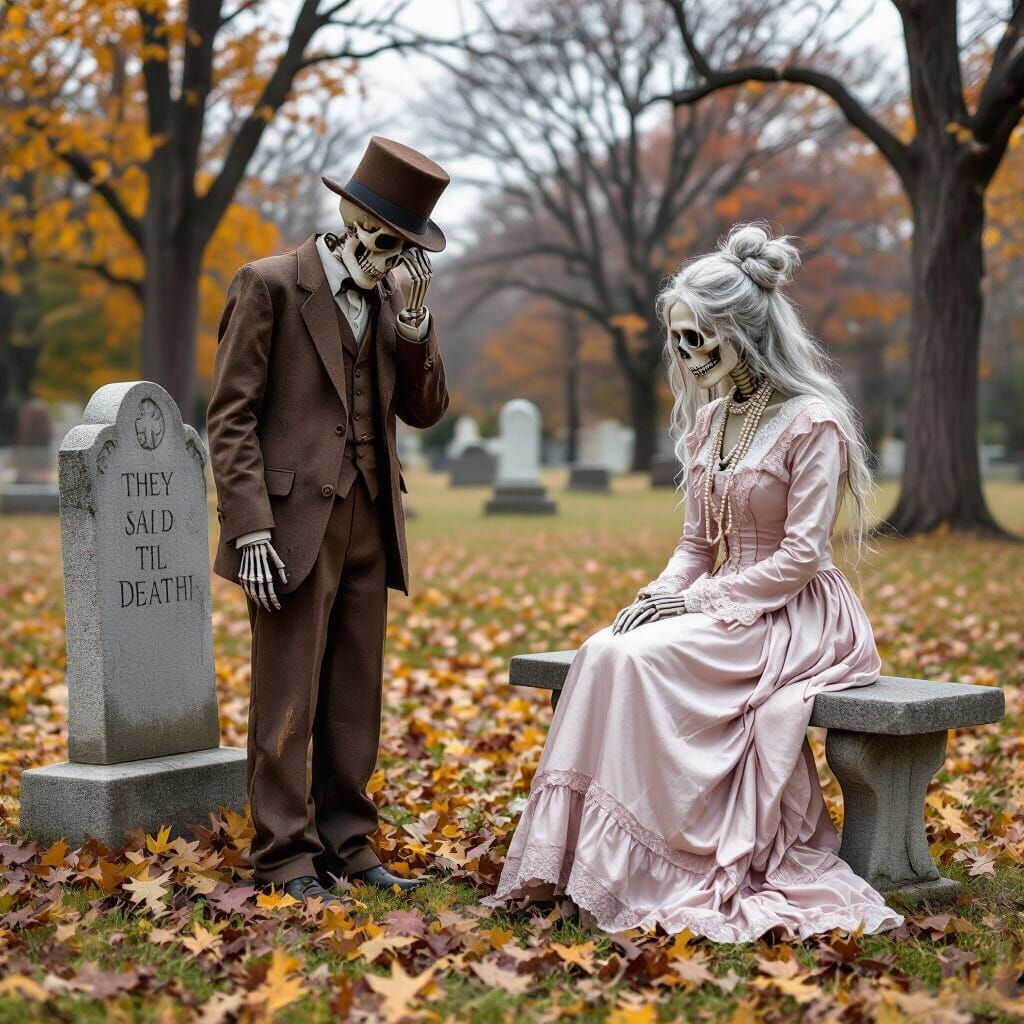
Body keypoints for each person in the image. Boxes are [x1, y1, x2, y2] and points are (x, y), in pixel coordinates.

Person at [481, 223, 904, 941]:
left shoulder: (813, 423)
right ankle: (589, 861)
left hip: (791, 612)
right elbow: (695, 545)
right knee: (605, 648)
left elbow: (802, 556)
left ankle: (667, 859)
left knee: (637, 661)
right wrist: (658, 596)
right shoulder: (710, 421)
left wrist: (697, 600)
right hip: (721, 603)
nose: (684, 353)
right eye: (676, 339)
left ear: (742, 331)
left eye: (696, 337)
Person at [207, 137, 450, 904]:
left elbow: (426, 411)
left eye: (404, 250)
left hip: (371, 518)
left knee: (354, 693)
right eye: (382, 243)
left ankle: (349, 842)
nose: (390, 261)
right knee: (289, 694)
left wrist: (415, 328)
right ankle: (284, 856)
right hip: (285, 530)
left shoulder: (392, 305)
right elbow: (230, 418)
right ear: (351, 220)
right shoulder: (269, 284)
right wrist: (248, 527)